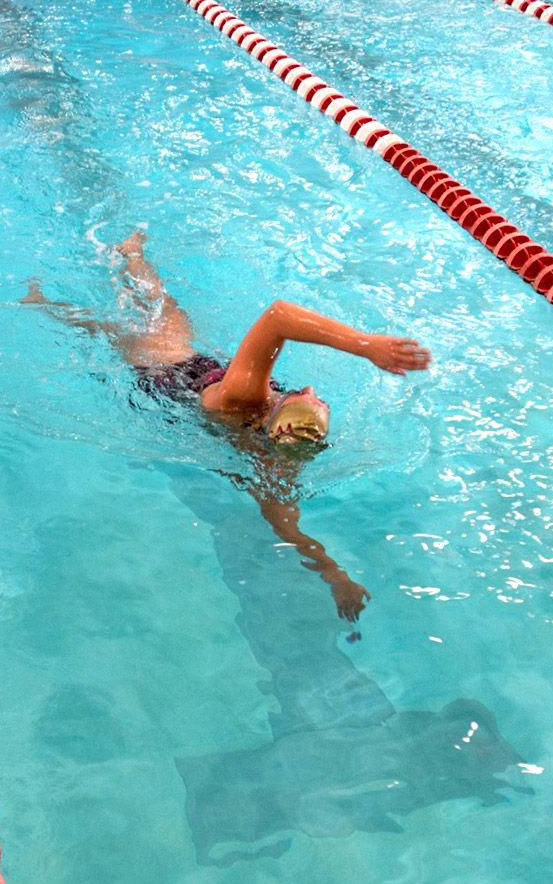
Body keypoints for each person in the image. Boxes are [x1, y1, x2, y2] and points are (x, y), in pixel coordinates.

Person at [24, 232, 430, 624]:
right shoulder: (277, 455)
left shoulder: (243, 397)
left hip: (164, 374)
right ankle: (101, 275)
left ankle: (79, 283)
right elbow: (282, 521)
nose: (310, 388)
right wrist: (333, 575)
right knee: (136, 323)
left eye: (307, 397)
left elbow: (279, 316)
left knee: (147, 319)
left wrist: (365, 346)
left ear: (284, 406)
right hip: (193, 395)